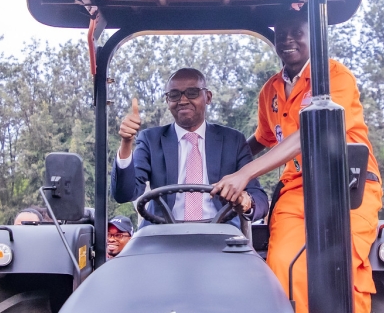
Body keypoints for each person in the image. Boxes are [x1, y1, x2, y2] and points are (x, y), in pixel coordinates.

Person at [212, 8, 382, 313]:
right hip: (297, 190)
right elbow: (265, 140)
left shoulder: (333, 77)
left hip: (345, 184)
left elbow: (312, 133)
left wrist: (246, 172)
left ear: (314, 36)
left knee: (343, 275)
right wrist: (226, 161)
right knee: (284, 271)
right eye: (282, 33)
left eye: (297, 32)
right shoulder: (271, 91)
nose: (288, 39)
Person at [111, 68, 268, 224]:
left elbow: (259, 199)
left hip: (220, 235)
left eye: (192, 92)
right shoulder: (151, 139)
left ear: (208, 97)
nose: (183, 100)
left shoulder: (233, 141)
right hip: (162, 233)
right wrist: (126, 142)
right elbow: (125, 194)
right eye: (174, 95)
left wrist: (247, 201)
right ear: (167, 101)